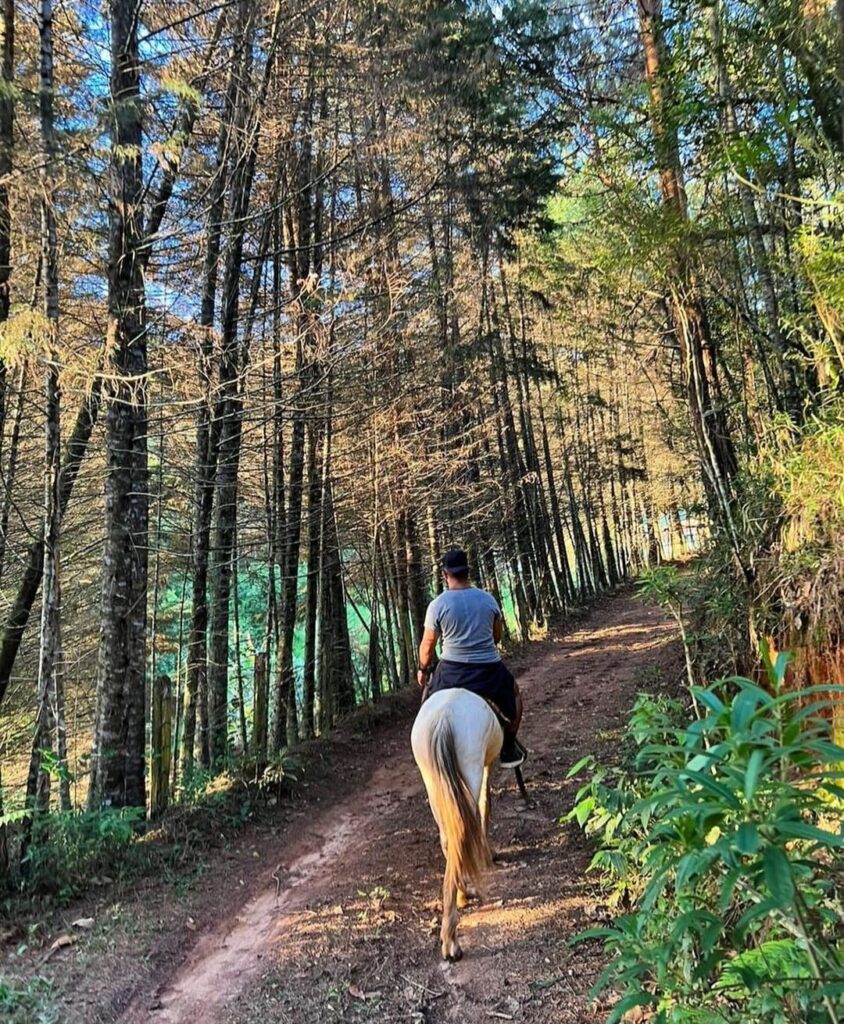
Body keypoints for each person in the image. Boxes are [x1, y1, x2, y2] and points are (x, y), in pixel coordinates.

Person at [416, 548, 526, 769]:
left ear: (445, 574)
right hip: (488, 670)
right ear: (468, 572)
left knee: (428, 706)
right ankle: (508, 745)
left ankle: (427, 749)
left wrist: (423, 669)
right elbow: (496, 637)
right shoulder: (488, 600)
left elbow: (427, 646)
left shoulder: (437, 605)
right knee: (514, 698)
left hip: (450, 672)